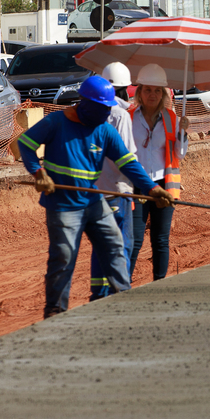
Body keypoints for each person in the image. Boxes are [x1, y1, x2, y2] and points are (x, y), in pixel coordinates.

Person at [18, 75, 172, 319]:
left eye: (107, 109)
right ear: (84, 103)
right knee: (65, 255)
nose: (105, 114)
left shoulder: (105, 130)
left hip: (93, 201)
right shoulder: (57, 122)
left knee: (114, 246)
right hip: (63, 204)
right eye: (101, 108)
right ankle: (55, 310)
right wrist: (38, 173)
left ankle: (122, 296)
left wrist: (153, 189)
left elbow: (128, 163)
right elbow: (25, 143)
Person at [129, 63, 189, 282]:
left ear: (163, 94)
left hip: (164, 184)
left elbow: (180, 154)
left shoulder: (172, 119)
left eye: (157, 90)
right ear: (139, 92)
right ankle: (122, 286)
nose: (152, 94)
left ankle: (160, 283)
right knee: (134, 239)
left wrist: (183, 132)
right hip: (136, 185)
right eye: (147, 90)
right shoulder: (129, 117)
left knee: (160, 239)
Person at [90, 62, 136, 300]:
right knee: (122, 244)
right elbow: (128, 157)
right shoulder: (120, 115)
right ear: (126, 88)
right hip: (118, 191)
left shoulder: (90, 111)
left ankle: (98, 293)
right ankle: (120, 292)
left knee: (100, 244)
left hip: (94, 193)